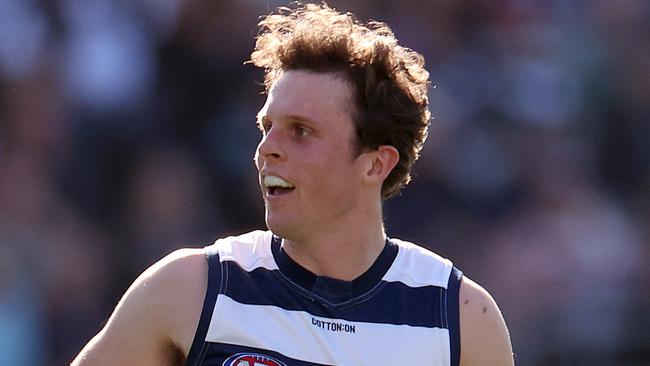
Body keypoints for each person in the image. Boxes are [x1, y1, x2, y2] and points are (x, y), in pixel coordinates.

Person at [72, 3, 513, 365]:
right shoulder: (191, 288)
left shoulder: (459, 318)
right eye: (267, 127)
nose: (267, 150)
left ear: (376, 164)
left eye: (300, 131)